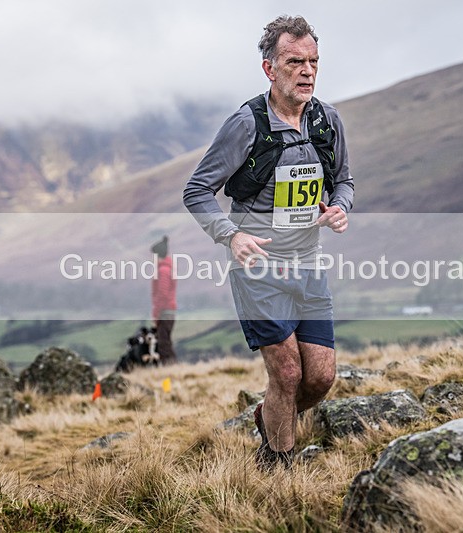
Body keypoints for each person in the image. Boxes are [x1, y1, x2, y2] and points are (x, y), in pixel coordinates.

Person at [183, 15, 354, 470]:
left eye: (313, 61)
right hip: (259, 269)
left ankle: (269, 417)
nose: (308, 71)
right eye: (295, 61)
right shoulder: (245, 125)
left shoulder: (327, 120)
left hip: (308, 264)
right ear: (269, 69)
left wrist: (339, 207)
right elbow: (196, 191)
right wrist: (231, 235)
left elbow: (345, 182)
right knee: (288, 372)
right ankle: (277, 467)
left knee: (319, 379)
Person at [151, 236, 178, 364]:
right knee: (165, 342)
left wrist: (156, 313)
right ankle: (173, 368)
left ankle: (171, 369)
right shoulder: (168, 269)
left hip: (164, 311)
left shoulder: (163, 271)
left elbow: (162, 294)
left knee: (164, 345)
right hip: (169, 310)